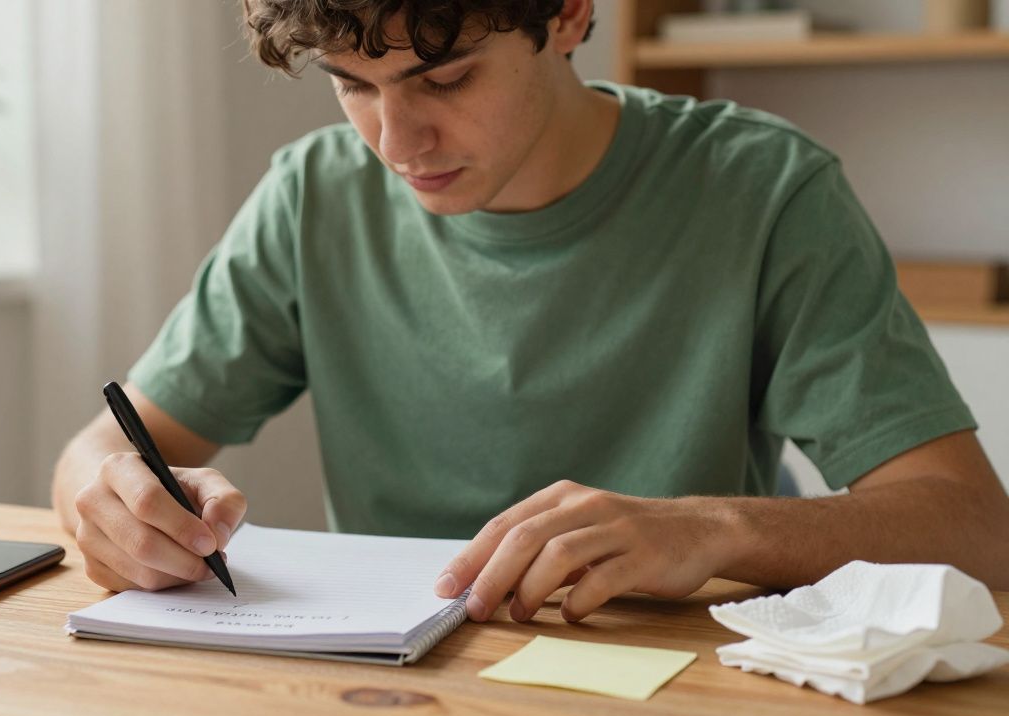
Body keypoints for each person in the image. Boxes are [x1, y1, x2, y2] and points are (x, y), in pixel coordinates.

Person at [51, 0, 1009, 624]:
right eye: (353, 86)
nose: (396, 139)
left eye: (446, 78)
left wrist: (710, 530)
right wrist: (113, 501)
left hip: (676, 689)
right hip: (395, 692)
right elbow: (106, 447)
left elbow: (975, 527)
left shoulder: (760, 188)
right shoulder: (313, 195)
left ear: (567, 15)